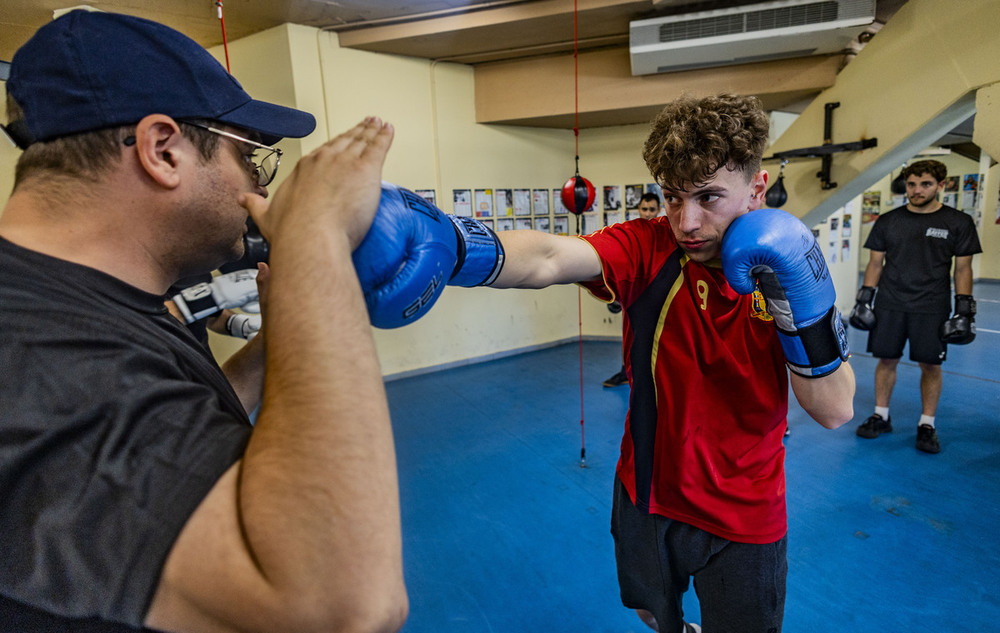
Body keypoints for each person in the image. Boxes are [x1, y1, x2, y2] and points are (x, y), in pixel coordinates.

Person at [361, 93, 856, 633]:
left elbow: (833, 411)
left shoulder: (789, 270)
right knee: (649, 611)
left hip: (744, 509)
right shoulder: (650, 245)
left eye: (709, 197)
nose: (687, 222)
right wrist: (455, 244)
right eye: (672, 197)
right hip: (645, 489)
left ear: (757, 188)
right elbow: (550, 257)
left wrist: (794, 302)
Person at [0, 10, 407, 633]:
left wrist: (281, 343)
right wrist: (314, 241)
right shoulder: (37, 351)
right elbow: (339, 606)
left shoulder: (83, 294)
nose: (260, 189)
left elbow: (172, 410)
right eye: (253, 160)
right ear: (163, 151)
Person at [850, 159, 982, 454]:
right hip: (890, 302)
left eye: (925, 184)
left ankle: (927, 424)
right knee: (886, 360)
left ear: (941, 185)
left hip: (932, 305)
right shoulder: (888, 221)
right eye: (911, 184)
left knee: (931, 364)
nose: (917, 190)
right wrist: (864, 300)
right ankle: (881, 415)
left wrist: (964, 309)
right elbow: (875, 263)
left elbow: (963, 269)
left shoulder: (958, 222)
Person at [603, 192, 662, 387]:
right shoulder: (633, 236)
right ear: (638, 209)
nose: (647, 213)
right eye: (644, 209)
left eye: (651, 210)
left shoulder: (666, 235)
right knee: (629, 334)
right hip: (635, 296)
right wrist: (615, 294)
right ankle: (624, 371)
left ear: (658, 210)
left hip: (659, 294)